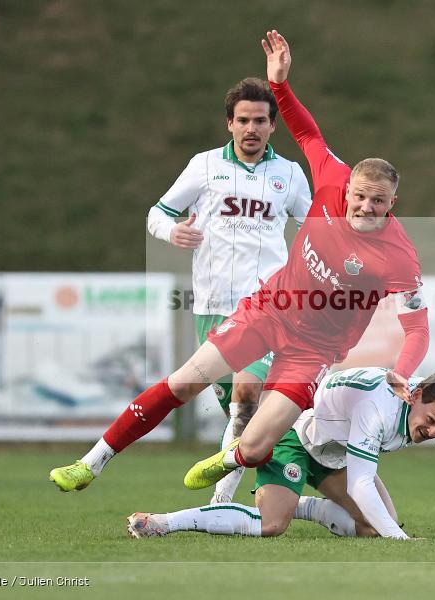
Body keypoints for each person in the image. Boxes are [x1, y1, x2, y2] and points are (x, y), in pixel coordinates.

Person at [48, 29, 430, 495]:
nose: (368, 208)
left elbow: (418, 328)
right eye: (362, 196)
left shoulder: (399, 256)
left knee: (257, 442)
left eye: (380, 202)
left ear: (394, 202)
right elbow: (307, 130)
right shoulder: (329, 176)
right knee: (185, 382)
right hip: (269, 309)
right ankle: (93, 461)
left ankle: (228, 465)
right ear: (348, 188)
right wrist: (281, 85)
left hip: (315, 351)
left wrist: (403, 374)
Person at [145, 77, 311, 503]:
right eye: (243, 120)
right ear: (229, 124)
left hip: (267, 309)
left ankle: (219, 502)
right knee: (241, 413)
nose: (251, 128)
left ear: (273, 125)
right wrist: (171, 232)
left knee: (246, 391)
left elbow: (314, 231)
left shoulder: (289, 174)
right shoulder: (203, 166)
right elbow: (157, 212)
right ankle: (286, 477)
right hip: (212, 306)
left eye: (260, 120)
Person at [126, 368, 435, 540]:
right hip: (294, 436)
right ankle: (164, 521)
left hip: (336, 455)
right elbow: (361, 483)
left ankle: (304, 505)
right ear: (415, 395)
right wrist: (401, 541)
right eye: (431, 422)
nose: (434, 432)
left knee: (373, 527)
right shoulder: (378, 406)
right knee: (272, 525)